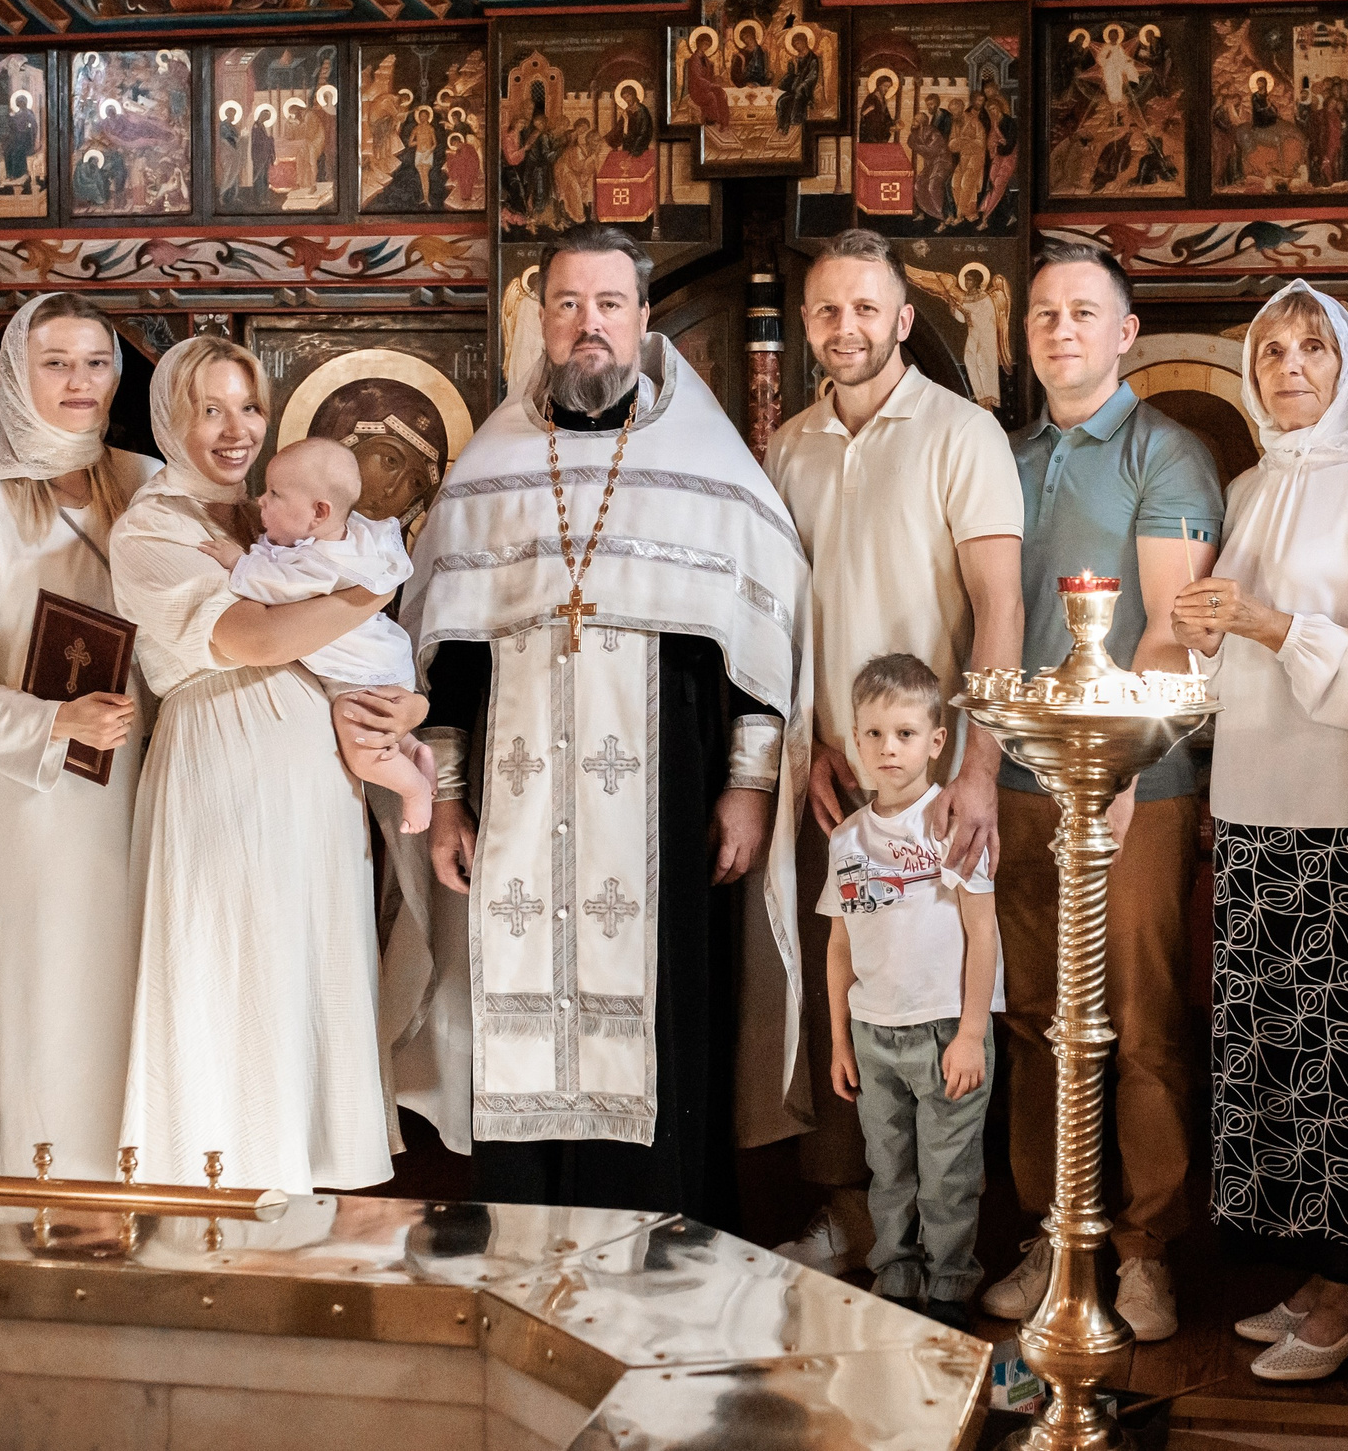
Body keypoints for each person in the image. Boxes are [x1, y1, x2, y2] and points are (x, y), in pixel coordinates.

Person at [395, 223, 812, 1223]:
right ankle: (527, 1232)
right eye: (570, 305)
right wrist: (448, 801)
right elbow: (448, 658)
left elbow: (759, 646)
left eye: (610, 305)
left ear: (643, 319)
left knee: (666, 1017)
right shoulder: (490, 469)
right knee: (512, 1001)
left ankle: (665, 1245)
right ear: (541, 320)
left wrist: (750, 785)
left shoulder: (709, 466)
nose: (591, 326)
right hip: (515, 800)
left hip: (666, 799)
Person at [1167, 282, 1348, 1382]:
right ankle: (1313, 1275)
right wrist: (1199, 632)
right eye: (1270, 349)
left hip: (1345, 811)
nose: (1287, 367)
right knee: (1272, 1059)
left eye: (1309, 349)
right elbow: (1230, 659)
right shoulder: (1245, 487)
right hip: (1251, 800)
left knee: (1345, 1060)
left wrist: (1269, 623)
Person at [764, 229, 1024, 1279]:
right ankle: (856, 1218)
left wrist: (978, 767)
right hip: (837, 769)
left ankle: (948, 1245)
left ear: (903, 320)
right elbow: (782, 612)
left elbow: (1000, 607)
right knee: (849, 984)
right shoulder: (789, 446)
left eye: (866, 309)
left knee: (936, 992)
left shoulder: (963, 435)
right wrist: (809, 746)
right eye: (827, 310)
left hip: (938, 778)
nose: (846, 328)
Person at [980, 239, 1223, 1342]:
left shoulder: (1164, 454)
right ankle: (1052, 1231)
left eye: (1083, 313)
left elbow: (1174, 629)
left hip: (1138, 784)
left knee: (1138, 1021)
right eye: (1042, 315)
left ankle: (1143, 1248)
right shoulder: (1003, 456)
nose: (1060, 330)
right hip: (1021, 779)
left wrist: (1119, 769)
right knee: (1034, 1017)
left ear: (1125, 333)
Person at [111, 338, 413, 1194]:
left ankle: (312, 1195)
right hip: (222, 771)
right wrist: (370, 591)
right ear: (173, 418)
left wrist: (412, 704)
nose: (236, 429)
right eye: (210, 408)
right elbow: (257, 638)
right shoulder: (153, 526)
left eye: (248, 406)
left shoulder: (275, 516)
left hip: (317, 785)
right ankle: (215, 1192)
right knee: (229, 971)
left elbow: (364, 655)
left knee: (304, 970)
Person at [0, 294, 154, 1180]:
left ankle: (162, 1189)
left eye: (97, 363)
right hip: (50, 800)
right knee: (61, 996)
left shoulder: (149, 482)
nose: (80, 382)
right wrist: (54, 720)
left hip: (164, 776)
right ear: (19, 373)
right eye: (58, 362)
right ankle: (53, 1203)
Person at [821, 654, 1003, 1331]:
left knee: (948, 1173)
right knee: (888, 1167)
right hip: (874, 1033)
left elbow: (982, 933)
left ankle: (951, 1283)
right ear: (854, 742)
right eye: (873, 734)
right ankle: (896, 1274)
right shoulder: (846, 839)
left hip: (944, 1031)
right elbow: (840, 944)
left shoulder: (953, 824)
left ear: (936, 741)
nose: (887, 748)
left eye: (903, 733)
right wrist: (841, 1037)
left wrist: (969, 1033)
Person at [201, 437, 436, 834]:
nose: (261, 500)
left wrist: (237, 562)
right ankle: (414, 751)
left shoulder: (321, 564)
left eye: (275, 494)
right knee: (378, 730)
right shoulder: (347, 538)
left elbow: (276, 587)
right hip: (384, 663)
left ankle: (413, 789)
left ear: (318, 512)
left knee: (359, 743)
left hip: (358, 675)